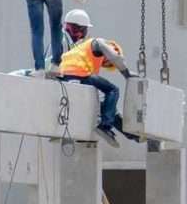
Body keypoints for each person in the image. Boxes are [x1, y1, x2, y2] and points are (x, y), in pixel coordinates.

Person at [57, 15, 137, 148]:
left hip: (64, 76)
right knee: (113, 90)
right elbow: (115, 57)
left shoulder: (80, 50)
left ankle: (130, 134)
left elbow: (107, 108)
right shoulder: (97, 42)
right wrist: (127, 73)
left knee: (101, 106)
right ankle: (105, 126)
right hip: (78, 74)